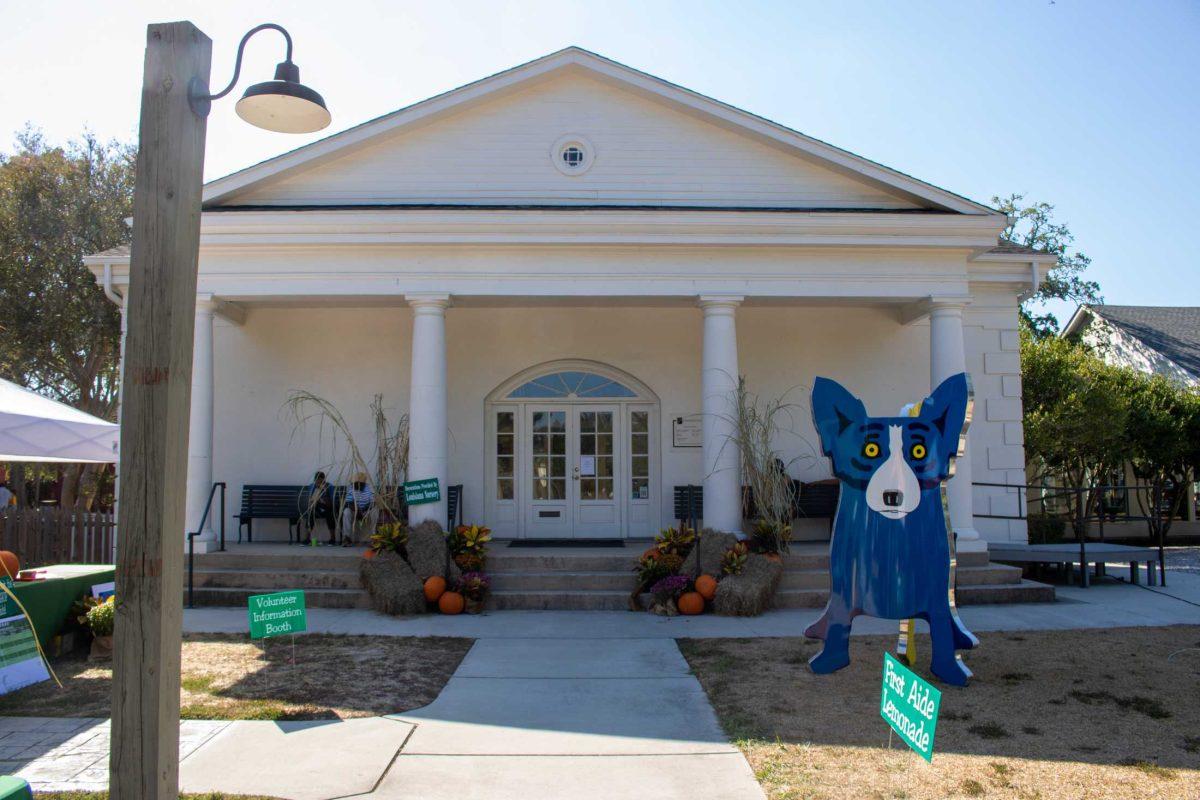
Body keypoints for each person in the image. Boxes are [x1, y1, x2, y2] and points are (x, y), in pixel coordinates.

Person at [301, 471, 337, 545]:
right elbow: (311, 500)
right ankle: (307, 538)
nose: (318, 482)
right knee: (310, 512)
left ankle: (333, 538)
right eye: (317, 481)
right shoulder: (312, 486)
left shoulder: (329, 486)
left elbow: (332, 502)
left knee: (330, 513)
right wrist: (314, 499)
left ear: (324, 480)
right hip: (316, 507)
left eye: (321, 481)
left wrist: (323, 496)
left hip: (327, 507)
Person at [342, 472, 374, 546]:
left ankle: (374, 538)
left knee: (375, 511)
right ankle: (347, 538)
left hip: (366, 510)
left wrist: (364, 511)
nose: (357, 485)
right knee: (346, 512)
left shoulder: (369, 488)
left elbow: (373, 503)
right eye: (355, 483)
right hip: (354, 511)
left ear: (363, 483)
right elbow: (349, 503)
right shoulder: (350, 487)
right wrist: (357, 512)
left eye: (359, 483)